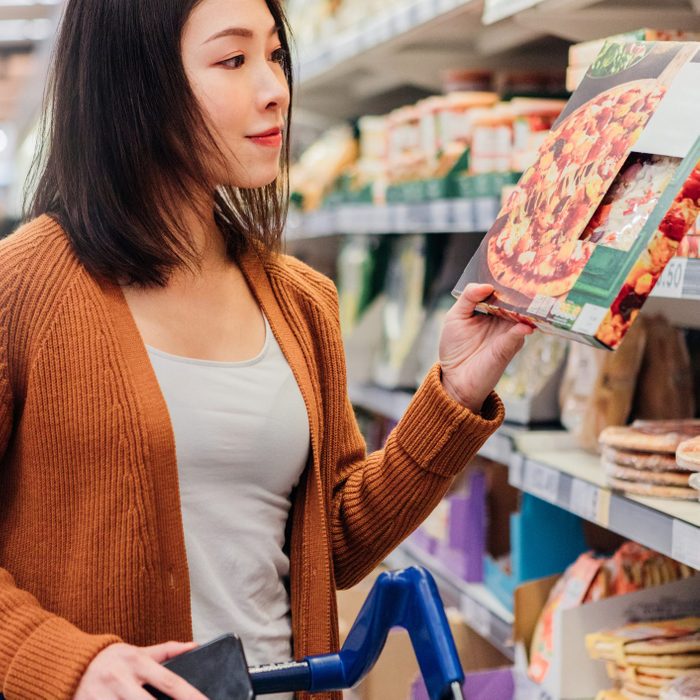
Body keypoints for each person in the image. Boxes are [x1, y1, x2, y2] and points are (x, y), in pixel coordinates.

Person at [0, 0, 533, 698]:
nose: (275, 86)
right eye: (233, 59)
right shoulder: (24, 287)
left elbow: (332, 541)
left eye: (276, 55)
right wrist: (66, 663)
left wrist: (455, 393)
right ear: (138, 82)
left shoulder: (301, 302)